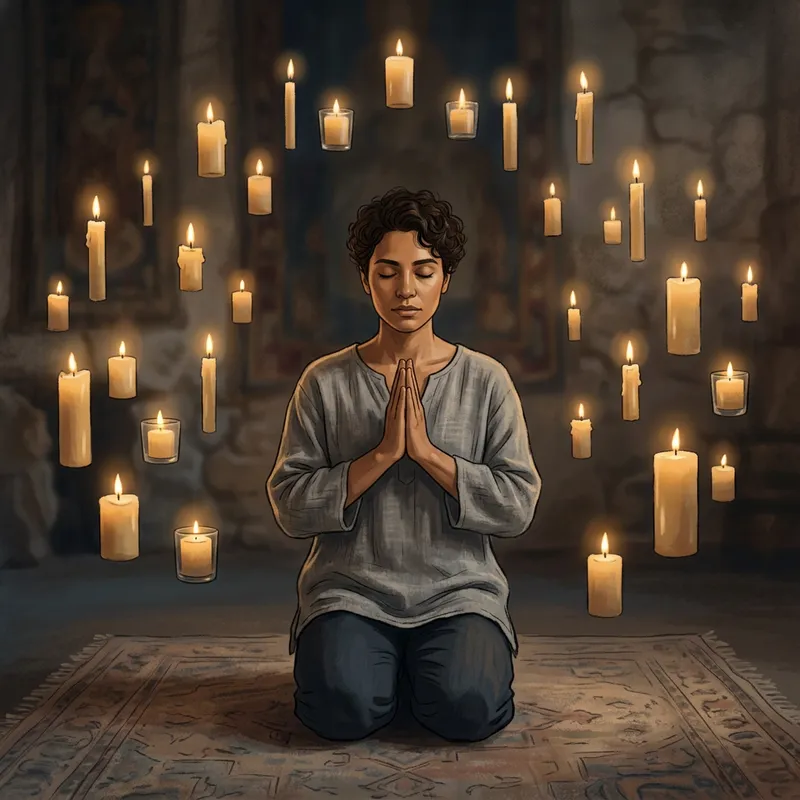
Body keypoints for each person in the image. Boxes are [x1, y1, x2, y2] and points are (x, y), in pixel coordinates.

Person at [266, 187, 541, 743]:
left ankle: (423, 670)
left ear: (446, 279)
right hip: (351, 591)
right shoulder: (324, 381)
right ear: (366, 281)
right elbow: (291, 507)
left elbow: (517, 506)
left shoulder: (486, 380)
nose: (406, 290)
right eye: (388, 272)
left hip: (459, 593)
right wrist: (383, 455)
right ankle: (377, 670)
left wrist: (432, 457)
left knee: (469, 709)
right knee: (340, 710)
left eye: (423, 270)